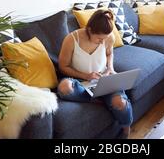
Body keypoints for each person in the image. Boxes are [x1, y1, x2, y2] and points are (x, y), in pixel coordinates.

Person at [57, 9, 133, 138]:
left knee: (120, 102)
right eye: (99, 39)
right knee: (64, 87)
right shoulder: (71, 39)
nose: (103, 42)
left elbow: (109, 53)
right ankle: (98, 98)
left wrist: (110, 68)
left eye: (105, 38)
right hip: (81, 83)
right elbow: (63, 66)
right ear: (90, 30)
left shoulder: (108, 37)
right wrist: (85, 76)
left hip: (104, 78)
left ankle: (126, 129)